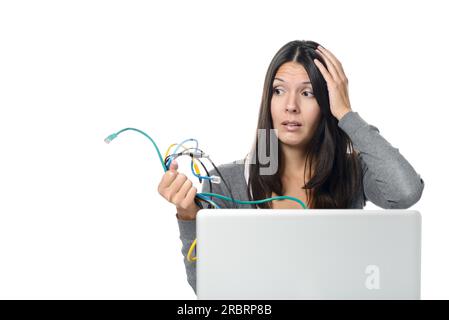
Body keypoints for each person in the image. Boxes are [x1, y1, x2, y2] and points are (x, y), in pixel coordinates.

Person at [157, 40, 425, 294]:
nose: (291, 106)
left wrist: (346, 114)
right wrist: (189, 215)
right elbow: (208, 290)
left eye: (307, 93)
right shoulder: (227, 182)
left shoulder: (352, 172)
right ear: (268, 100)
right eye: (279, 91)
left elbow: (405, 191)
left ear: (327, 102)